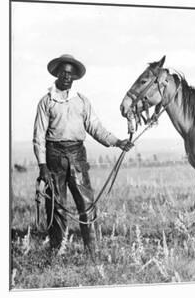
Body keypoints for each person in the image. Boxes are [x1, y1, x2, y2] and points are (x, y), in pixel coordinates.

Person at [33, 54, 133, 254]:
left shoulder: (82, 101)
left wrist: (117, 142)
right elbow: (38, 136)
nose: (67, 77)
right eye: (63, 73)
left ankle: (91, 251)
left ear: (74, 77)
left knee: (86, 202)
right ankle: (57, 250)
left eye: (70, 74)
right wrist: (42, 166)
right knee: (56, 205)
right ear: (57, 74)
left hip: (77, 155)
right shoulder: (46, 102)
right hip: (53, 157)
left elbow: (95, 127)